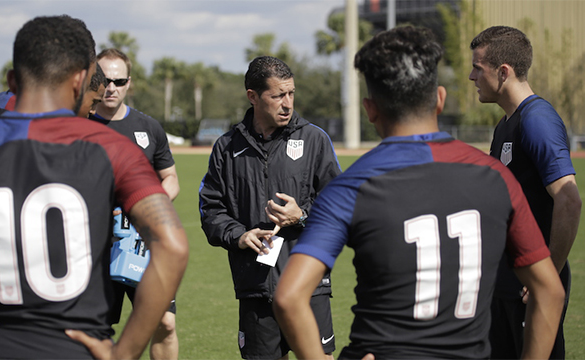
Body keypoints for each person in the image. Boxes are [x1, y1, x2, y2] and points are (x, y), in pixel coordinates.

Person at [273, 26, 565, 360]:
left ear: (370, 110)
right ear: (439, 99)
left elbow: (289, 297)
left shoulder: (349, 187)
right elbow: (549, 291)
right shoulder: (496, 176)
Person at [0, 15, 188, 359]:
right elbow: (173, 245)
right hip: (79, 348)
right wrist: (124, 352)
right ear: (81, 80)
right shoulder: (112, 148)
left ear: (12, 80)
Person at [0, 65, 107, 336]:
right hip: (56, 312)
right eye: (93, 102)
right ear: (75, 86)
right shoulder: (64, 130)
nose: (93, 113)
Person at [199, 55, 341, 360]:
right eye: (277, 95)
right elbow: (211, 209)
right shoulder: (226, 147)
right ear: (253, 96)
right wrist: (238, 235)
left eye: (291, 93)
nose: (287, 103)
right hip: (256, 288)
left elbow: (339, 206)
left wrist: (301, 216)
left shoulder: (315, 140)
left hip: (308, 285)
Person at [469, 26, 582, 359]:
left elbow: (569, 198)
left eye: (478, 67)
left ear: (503, 72)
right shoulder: (506, 123)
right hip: (504, 281)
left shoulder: (537, 120)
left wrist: (547, 276)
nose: (471, 76)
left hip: (529, 286)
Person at [90, 48, 180, 360]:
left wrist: (144, 208)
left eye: (119, 80)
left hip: (141, 244)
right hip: (92, 249)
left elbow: (171, 179)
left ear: (130, 83)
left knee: (165, 323)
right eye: (104, 80)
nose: (111, 87)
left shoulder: (149, 127)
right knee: (94, 330)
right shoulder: (77, 125)